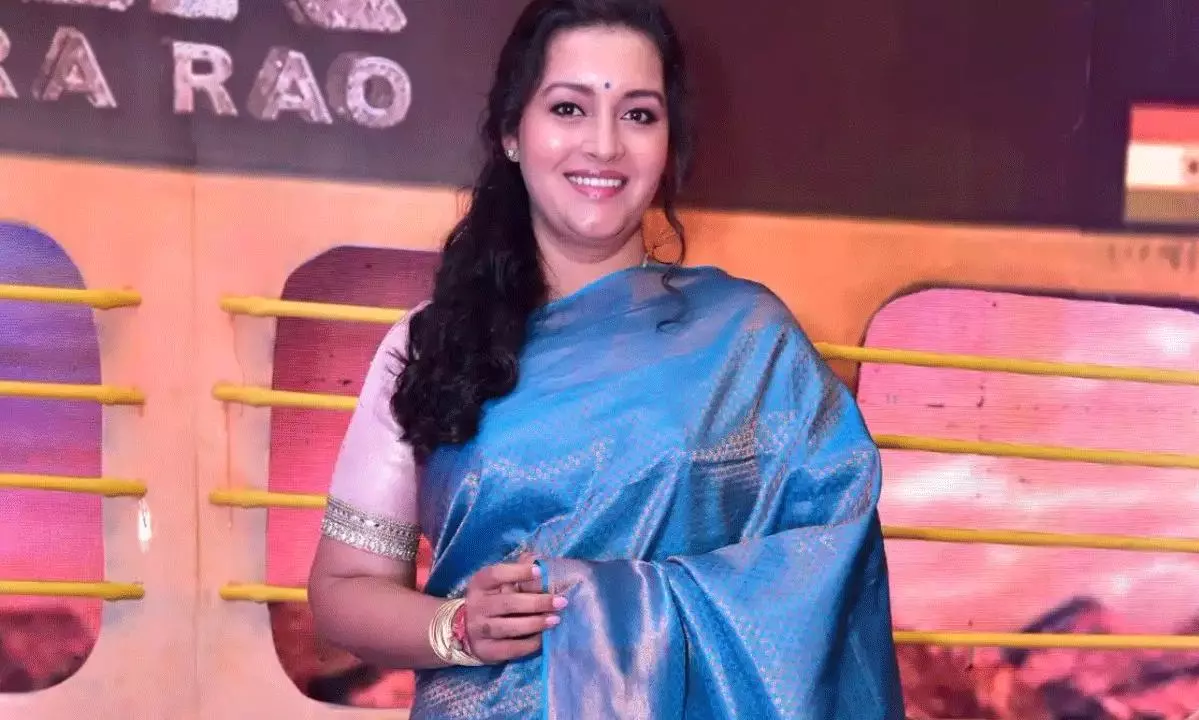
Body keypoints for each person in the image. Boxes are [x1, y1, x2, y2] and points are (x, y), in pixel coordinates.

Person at [307, 0, 905, 716]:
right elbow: (343, 590)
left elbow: (831, 554)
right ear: (511, 132)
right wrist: (457, 628)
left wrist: (618, 609)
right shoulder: (431, 345)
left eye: (638, 114)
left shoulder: (747, 340)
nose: (603, 145)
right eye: (568, 108)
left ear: (668, 144)